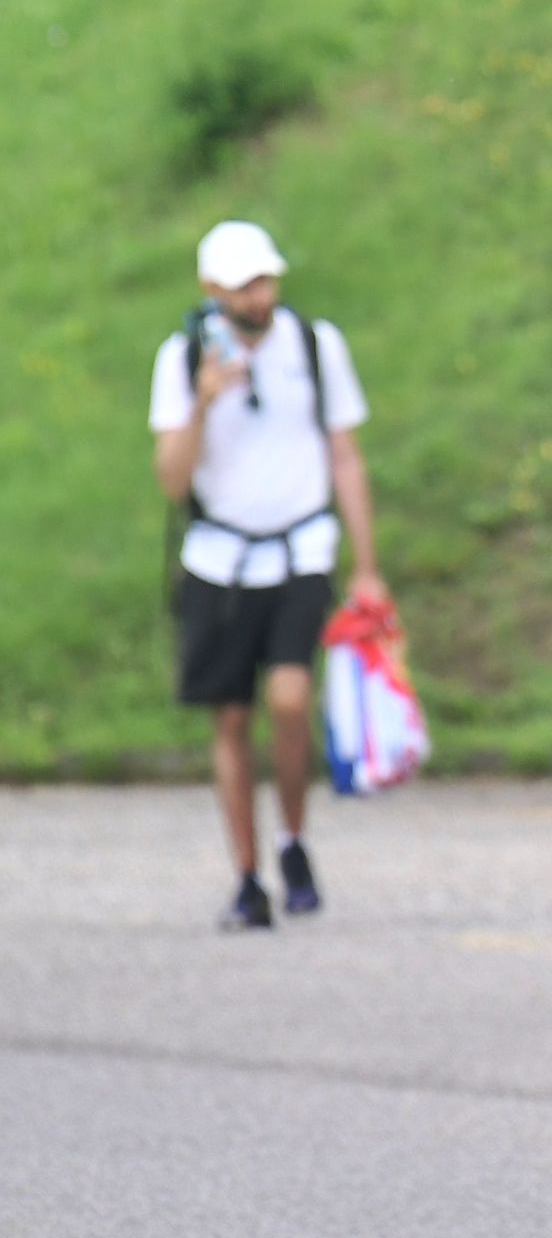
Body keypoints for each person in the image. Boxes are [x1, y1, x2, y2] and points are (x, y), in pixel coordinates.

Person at [150, 220, 385, 930]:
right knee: (230, 715)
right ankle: (247, 875)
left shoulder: (314, 345)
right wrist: (203, 400)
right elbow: (171, 478)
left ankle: (293, 835)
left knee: (289, 696)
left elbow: (344, 454)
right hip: (220, 559)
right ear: (213, 290)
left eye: (266, 280)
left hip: (300, 548)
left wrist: (367, 566)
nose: (261, 295)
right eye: (245, 284)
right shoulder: (184, 357)